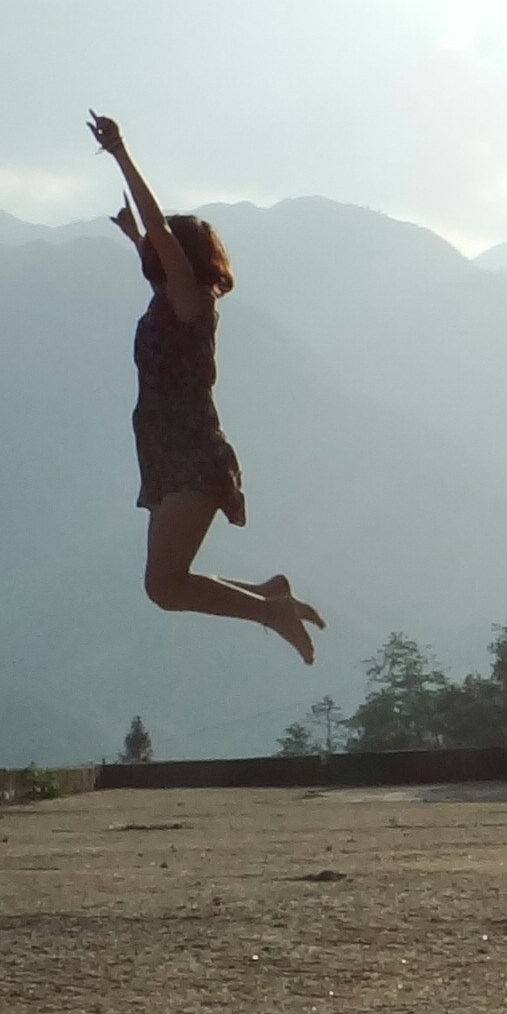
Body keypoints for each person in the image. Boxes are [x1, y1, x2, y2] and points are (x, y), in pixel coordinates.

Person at [89, 110, 322, 662]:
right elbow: (155, 239)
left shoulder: (192, 302)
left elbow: (161, 232)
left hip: (192, 452)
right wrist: (134, 236)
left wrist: (120, 153)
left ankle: (270, 610)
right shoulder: (168, 302)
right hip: (166, 453)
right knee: (167, 586)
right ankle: (268, 595)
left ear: (184, 259)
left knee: (165, 587)